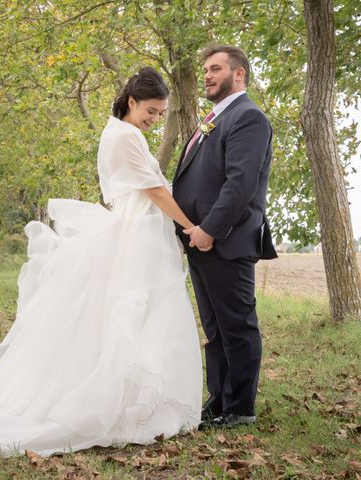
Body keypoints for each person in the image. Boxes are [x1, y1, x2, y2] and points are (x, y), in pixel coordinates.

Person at [0, 67, 202, 457]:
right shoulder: (126, 135)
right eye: (151, 110)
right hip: (135, 231)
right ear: (131, 102)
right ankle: (118, 403)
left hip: (135, 229)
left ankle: (133, 401)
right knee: (128, 313)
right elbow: (151, 189)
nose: (154, 119)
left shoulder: (117, 131)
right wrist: (190, 225)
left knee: (123, 316)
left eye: (161, 114)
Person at [172, 45, 277, 430]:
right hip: (200, 242)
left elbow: (240, 184)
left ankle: (240, 408)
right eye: (205, 71)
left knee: (237, 326)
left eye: (216, 69)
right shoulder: (215, 118)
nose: (207, 76)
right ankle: (219, 401)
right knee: (215, 330)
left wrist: (210, 230)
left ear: (239, 75)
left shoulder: (248, 118)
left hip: (225, 242)